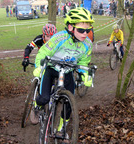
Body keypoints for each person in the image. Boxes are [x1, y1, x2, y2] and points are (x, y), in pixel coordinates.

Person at [32, 7, 95, 138]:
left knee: (69, 104)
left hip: (67, 72)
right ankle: (36, 106)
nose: (85, 34)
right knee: (44, 98)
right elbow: (43, 52)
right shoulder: (59, 38)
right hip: (51, 69)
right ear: (71, 27)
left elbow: (83, 62)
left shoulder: (87, 44)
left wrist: (85, 75)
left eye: (88, 30)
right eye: (81, 30)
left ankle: (61, 128)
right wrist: (39, 66)